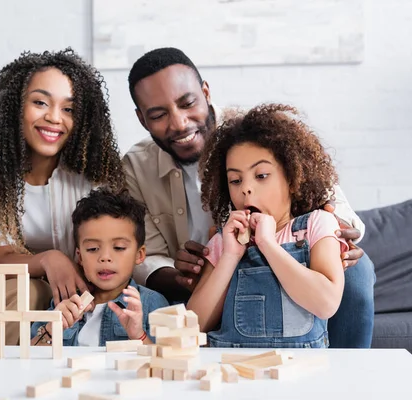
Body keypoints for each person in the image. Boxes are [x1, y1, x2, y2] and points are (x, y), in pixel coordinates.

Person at [123, 47, 375, 348]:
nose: (178, 123)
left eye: (187, 103)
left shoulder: (254, 135)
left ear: (205, 92)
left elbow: (326, 192)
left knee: (357, 273)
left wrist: (334, 237)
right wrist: (182, 275)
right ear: (142, 119)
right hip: (211, 271)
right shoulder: (136, 167)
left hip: (293, 254)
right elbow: (144, 254)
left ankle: (348, 376)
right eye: (159, 114)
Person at [0, 48, 125, 348]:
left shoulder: (96, 169)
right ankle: (2, 388)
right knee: (30, 293)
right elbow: (3, 258)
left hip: (75, 288)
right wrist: (50, 260)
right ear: (14, 106)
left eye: (69, 109)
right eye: (40, 102)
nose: (55, 118)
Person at [187, 103, 346, 347]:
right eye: (235, 180)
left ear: (292, 178)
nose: (245, 188)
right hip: (233, 371)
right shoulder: (225, 241)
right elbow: (193, 325)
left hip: (300, 372)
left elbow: (327, 304)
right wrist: (230, 256)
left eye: (261, 175)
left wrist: (268, 245)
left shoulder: (316, 224)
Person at [30, 188, 169, 346]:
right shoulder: (65, 303)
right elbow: (27, 360)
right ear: (80, 257)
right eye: (92, 249)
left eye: (119, 247)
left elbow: (164, 364)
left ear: (139, 254)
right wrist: (50, 331)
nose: (105, 258)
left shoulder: (151, 303)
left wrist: (139, 336)